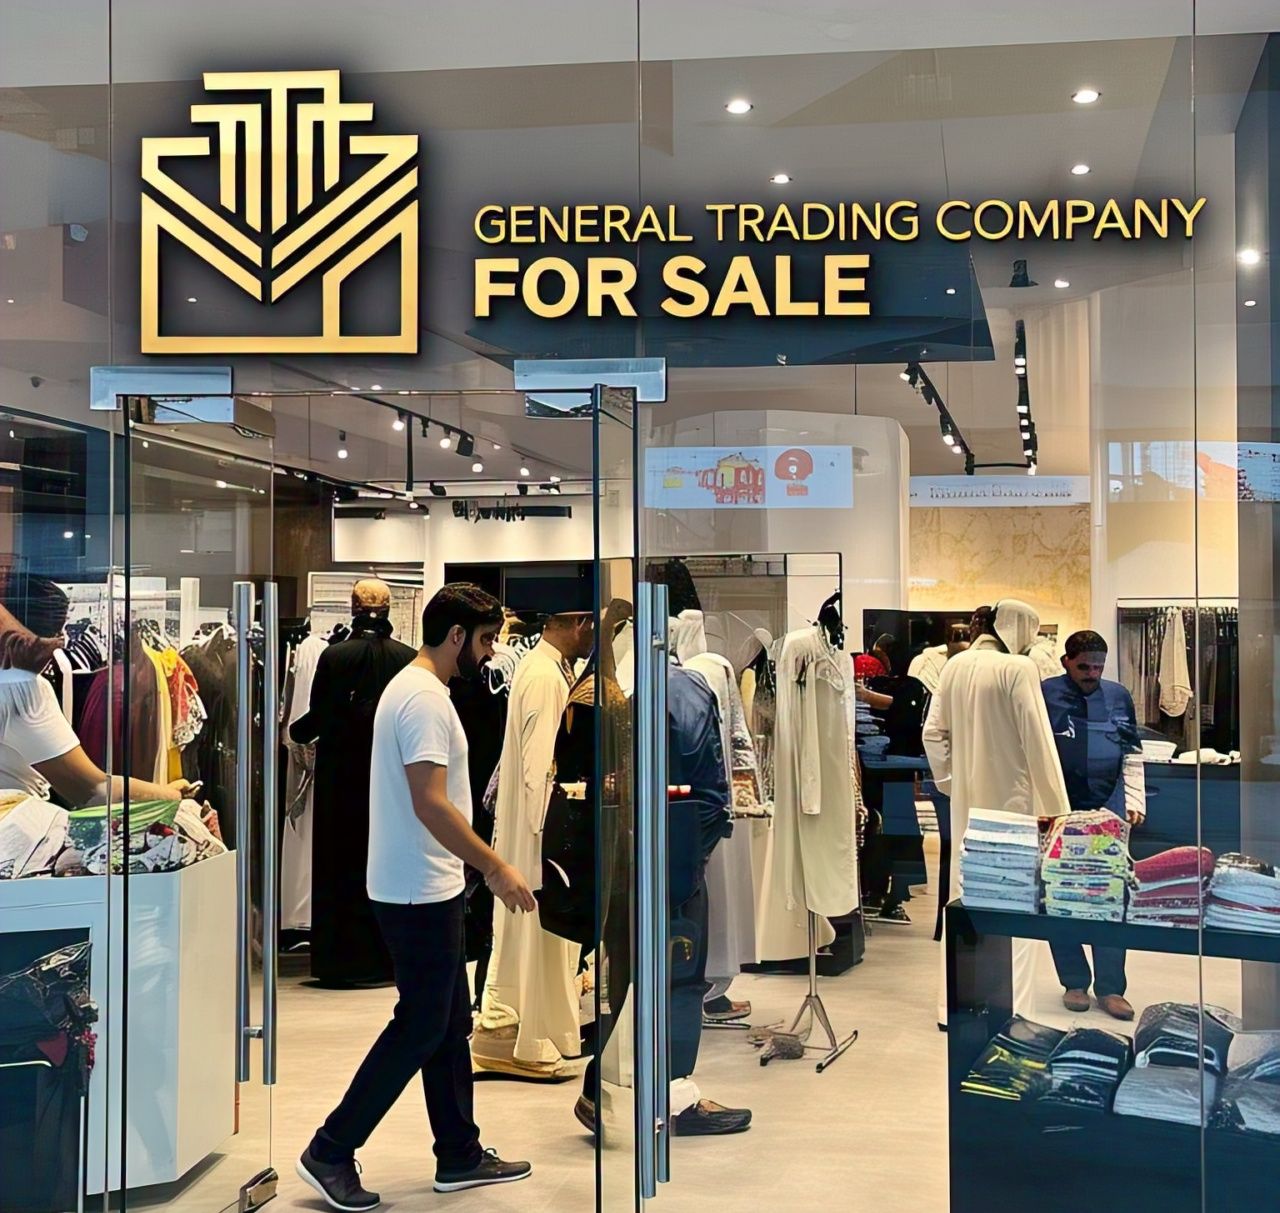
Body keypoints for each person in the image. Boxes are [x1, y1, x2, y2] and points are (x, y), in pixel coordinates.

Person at [298, 584, 535, 1211]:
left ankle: (459, 1152)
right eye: (486, 640)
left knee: (448, 1022)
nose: (491, 653)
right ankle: (330, 1148)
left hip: (425, 882)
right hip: (416, 889)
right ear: (457, 635)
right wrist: (495, 867)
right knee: (422, 1025)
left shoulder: (416, 689)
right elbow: (430, 803)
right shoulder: (424, 699)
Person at [923, 599, 1071, 1023]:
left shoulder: (954, 666)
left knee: (963, 900)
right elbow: (1038, 742)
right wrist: (1059, 813)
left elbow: (933, 733)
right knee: (1014, 906)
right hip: (1014, 807)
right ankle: (1014, 1010)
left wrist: (951, 783)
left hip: (967, 807)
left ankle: (952, 1006)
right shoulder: (1018, 669)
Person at [474, 602, 596, 1078]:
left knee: (527, 941)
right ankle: (525, 1040)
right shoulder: (545, 676)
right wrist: (552, 837)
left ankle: (513, 1033)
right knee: (535, 939)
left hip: (531, 832)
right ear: (576, 623)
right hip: (537, 834)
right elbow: (539, 768)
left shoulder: (544, 668)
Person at [290, 578, 415, 987]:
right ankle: (387, 959)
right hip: (391, 780)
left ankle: (342, 962)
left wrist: (295, 732)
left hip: (341, 781)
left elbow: (319, 716)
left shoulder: (335, 656)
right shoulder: (407, 658)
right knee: (386, 863)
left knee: (340, 866)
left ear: (353, 608)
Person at [0, 590, 193, 808]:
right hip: (17, 823)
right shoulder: (20, 690)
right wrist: (171, 795)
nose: (62, 643)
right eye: (58, 633)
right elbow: (93, 790)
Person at [1041, 630, 1146, 1021]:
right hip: (1060, 807)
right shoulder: (1044, 694)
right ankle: (1073, 981)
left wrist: (1134, 799)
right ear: (1066, 661)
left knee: (1112, 893)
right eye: (1084, 666)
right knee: (1059, 892)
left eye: (1098, 667)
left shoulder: (1118, 696)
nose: (1092, 674)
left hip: (1109, 807)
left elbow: (1132, 751)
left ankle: (1111, 987)